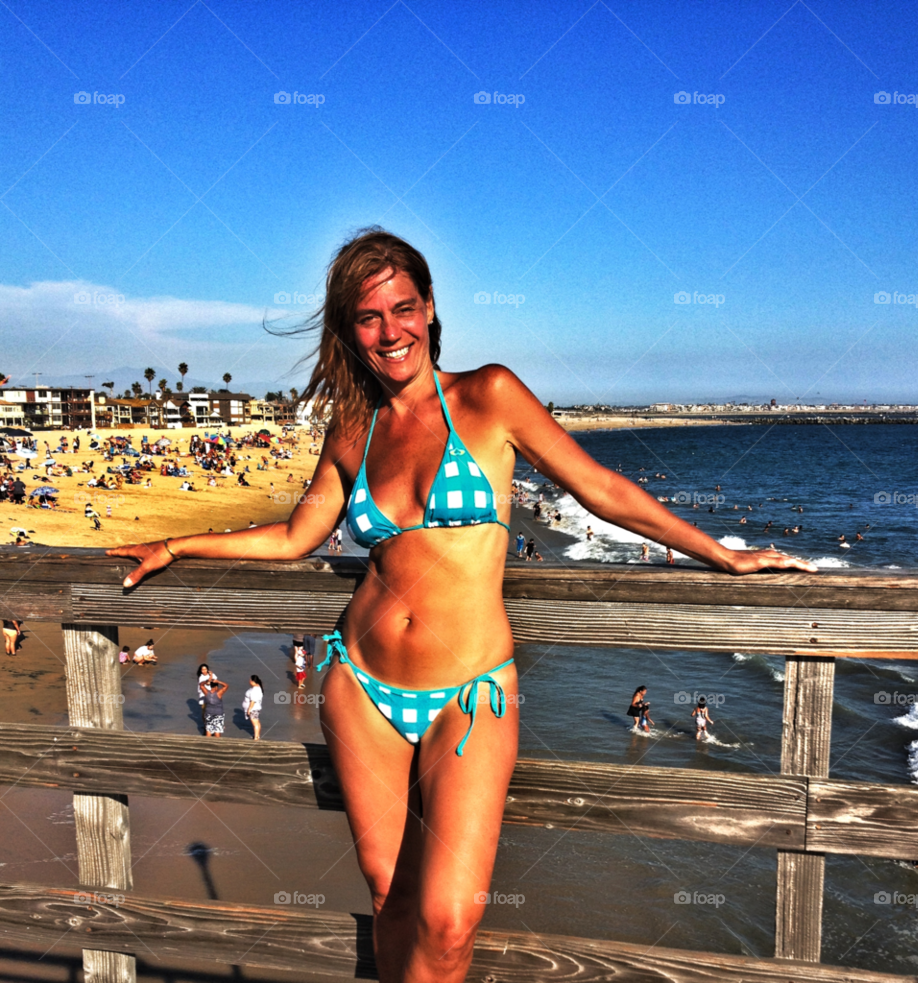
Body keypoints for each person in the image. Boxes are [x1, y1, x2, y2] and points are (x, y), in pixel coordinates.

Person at [107, 229, 816, 983]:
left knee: (450, 921)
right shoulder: (354, 429)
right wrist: (177, 545)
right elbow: (294, 536)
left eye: (403, 309)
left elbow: (599, 488)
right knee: (390, 895)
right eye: (369, 317)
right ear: (350, 330)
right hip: (361, 685)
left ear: (430, 308)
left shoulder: (489, 396)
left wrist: (722, 553)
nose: (391, 331)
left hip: (471, 693)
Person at [243, 674, 264, 740]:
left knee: (255, 723)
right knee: (257, 722)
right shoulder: (258, 688)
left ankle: (256, 737)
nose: (249, 681)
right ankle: (257, 736)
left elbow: (253, 701)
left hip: (253, 708)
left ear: (252, 681)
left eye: (250, 680)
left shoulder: (255, 689)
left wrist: (249, 709)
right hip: (256, 708)